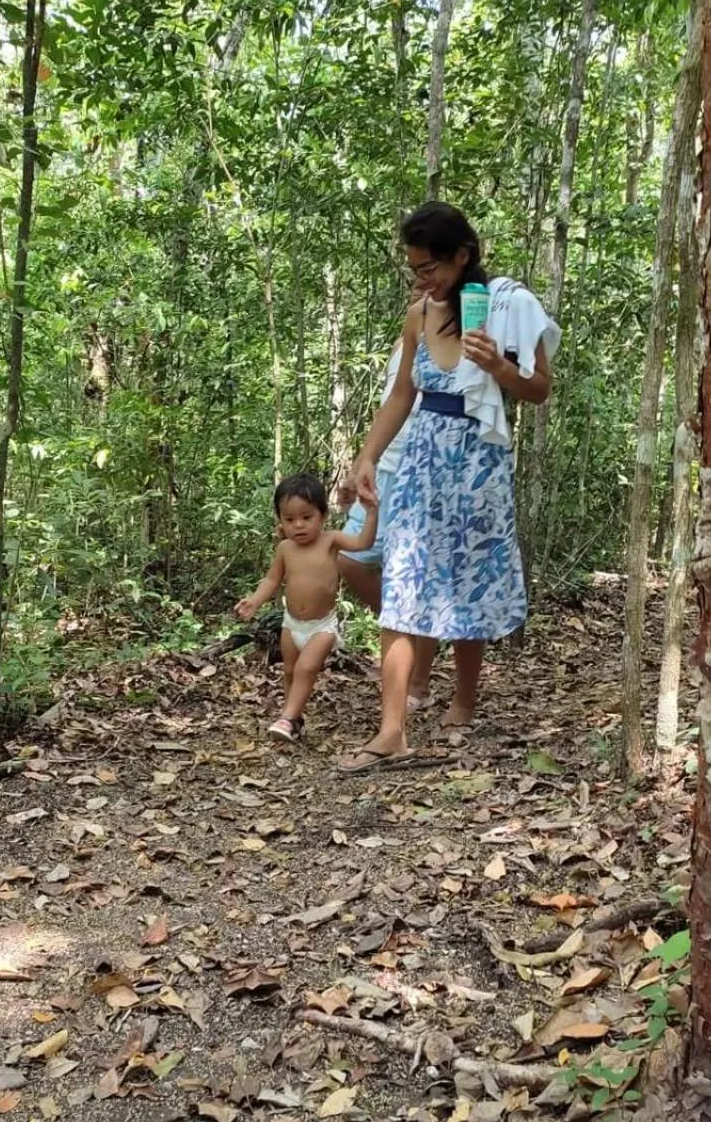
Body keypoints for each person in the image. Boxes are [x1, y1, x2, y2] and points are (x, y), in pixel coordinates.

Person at [338, 202, 559, 772]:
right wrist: (368, 456)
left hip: (478, 467)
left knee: (471, 582)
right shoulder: (418, 316)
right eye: (414, 269)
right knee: (403, 590)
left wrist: (499, 369)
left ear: (462, 255)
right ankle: (392, 731)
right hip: (419, 463)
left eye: (430, 267)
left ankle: (464, 702)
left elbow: (539, 391)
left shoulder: (506, 308)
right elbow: (401, 395)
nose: (424, 279)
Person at [235, 472, 378, 743]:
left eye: (306, 517)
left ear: (322, 515)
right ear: (280, 520)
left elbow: (363, 543)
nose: (298, 525)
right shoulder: (286, 549)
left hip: (321, 626)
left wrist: (370, 511)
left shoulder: (331, 541)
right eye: (289, 519)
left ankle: (286, 718)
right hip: (292, 623)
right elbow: (272, 579)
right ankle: (294, 720)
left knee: (306, 668)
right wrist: (254, 600)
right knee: (289, 671)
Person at [337, 328, 435, 712]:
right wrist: (364, 461)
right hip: (385, 469)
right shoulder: (406, 338)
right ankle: (403, 639)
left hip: (423, 471)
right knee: (350, 558)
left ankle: (419, 683)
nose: (419, 288)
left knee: (418, 583)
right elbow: (391, 403)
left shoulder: (459, 335)